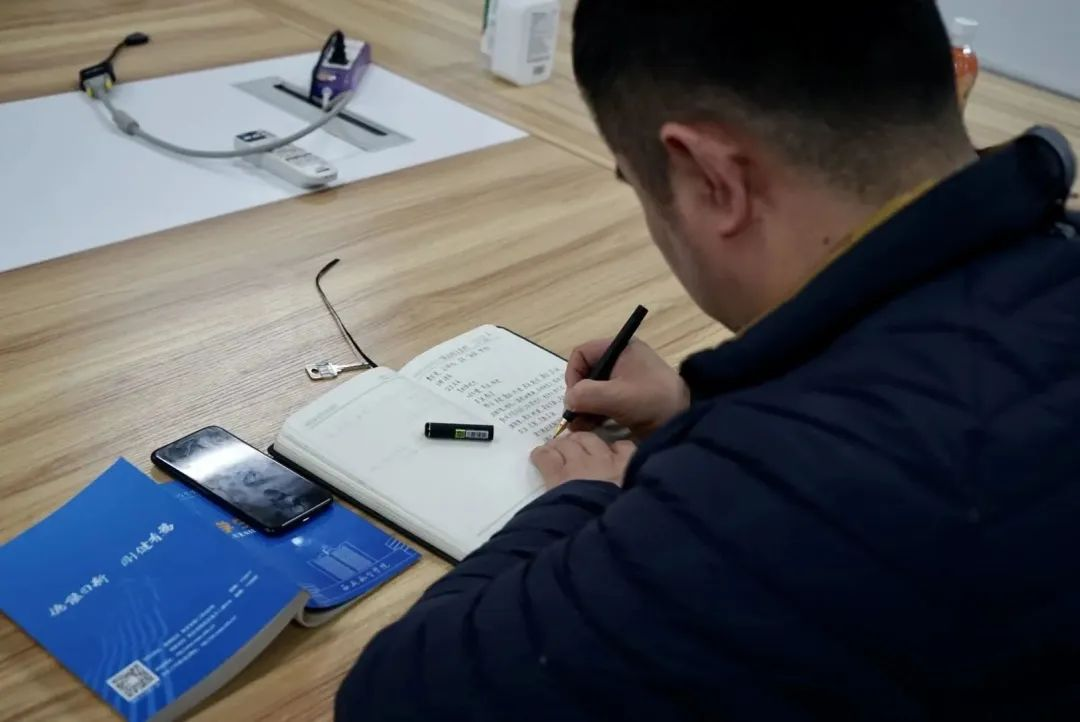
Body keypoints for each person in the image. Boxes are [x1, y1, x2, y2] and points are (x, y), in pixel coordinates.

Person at [337, 2, 1080, 720]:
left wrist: (591, 498)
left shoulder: (798, 492)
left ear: (711, 180)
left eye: (637, 186)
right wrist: (693, 415)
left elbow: (396, 698)